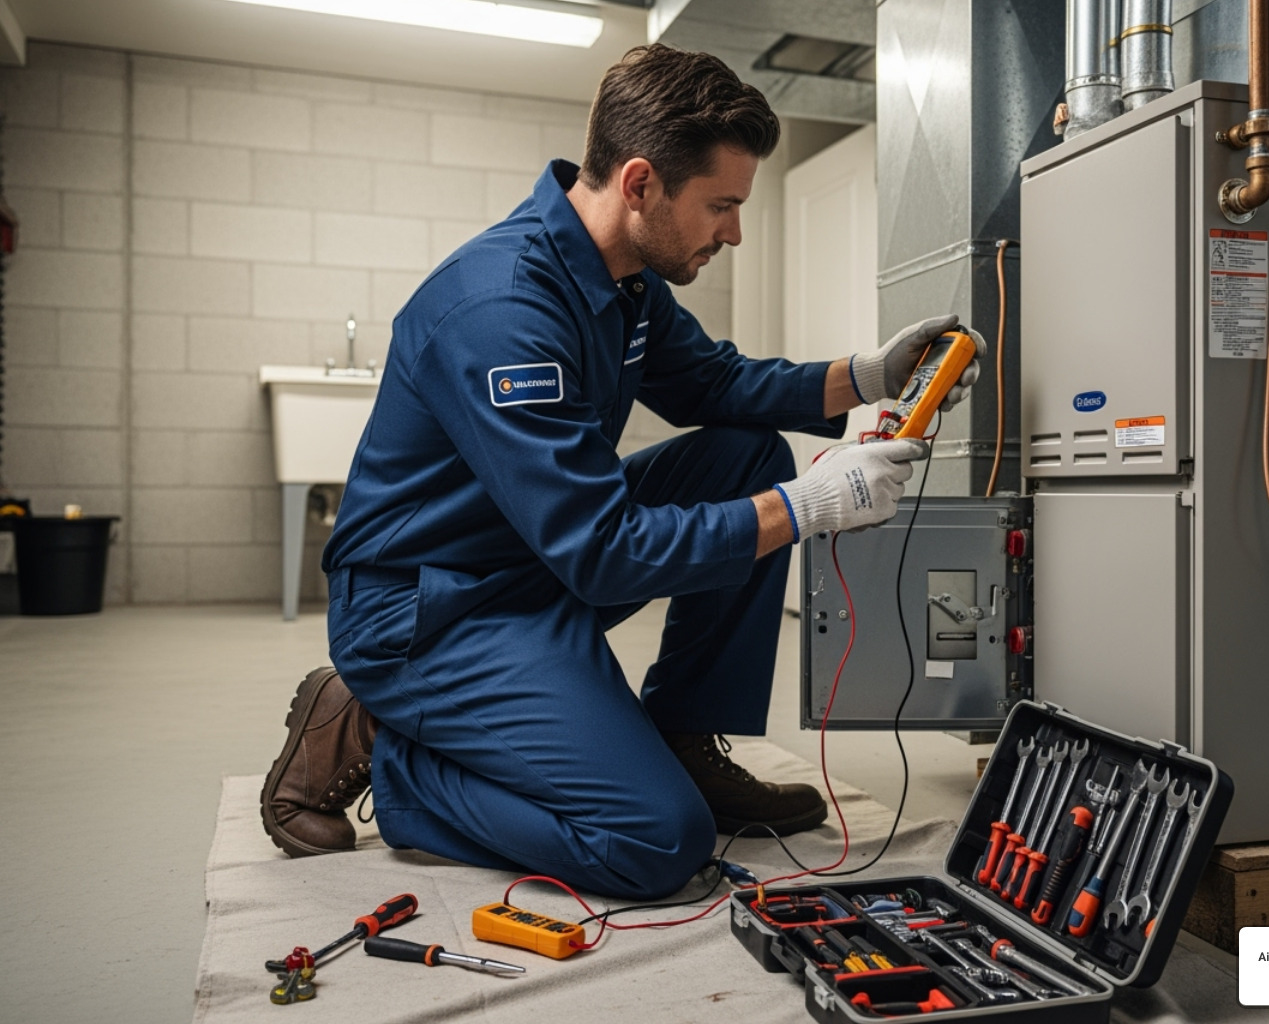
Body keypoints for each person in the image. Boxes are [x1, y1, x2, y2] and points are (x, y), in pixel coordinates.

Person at [259, 44, 985, 901]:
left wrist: (866, 375)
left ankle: (684, 737)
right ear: (640, 184)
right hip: (432, 612)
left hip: (532, 559)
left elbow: (715, 384)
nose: (734, 232)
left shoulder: (625, 276)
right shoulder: (500, 312)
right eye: (721, 206)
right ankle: (401, 758)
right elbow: (602, 551)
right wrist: (806, 507)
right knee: (655, 839)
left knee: (745, 450)